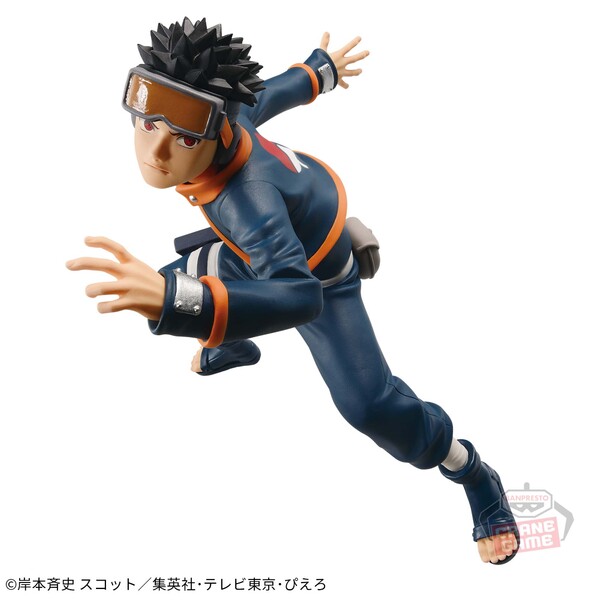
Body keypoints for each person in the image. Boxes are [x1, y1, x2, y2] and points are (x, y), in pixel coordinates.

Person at [67, 17, 519, 563]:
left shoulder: (249, 198)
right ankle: (234, 342)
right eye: (146, 116)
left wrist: (176, 302)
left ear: (218, 128)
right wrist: (322, 69)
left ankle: (473, 474)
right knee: (166, 286)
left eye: (185, 133)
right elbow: (277, 89)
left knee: (370, 407)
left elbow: (300, 297)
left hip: (316, 279)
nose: (155, 150)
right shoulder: (234, 114)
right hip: (255, 249)